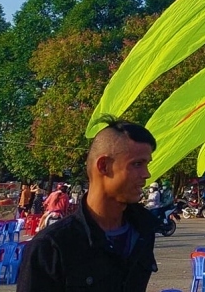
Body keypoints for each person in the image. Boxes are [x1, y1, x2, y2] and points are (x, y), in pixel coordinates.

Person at [17, 116, 158, 292]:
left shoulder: (143, 231)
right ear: (104, 166)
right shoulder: (52, 246)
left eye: (146, 164)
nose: (146, 174)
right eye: (137, 164)